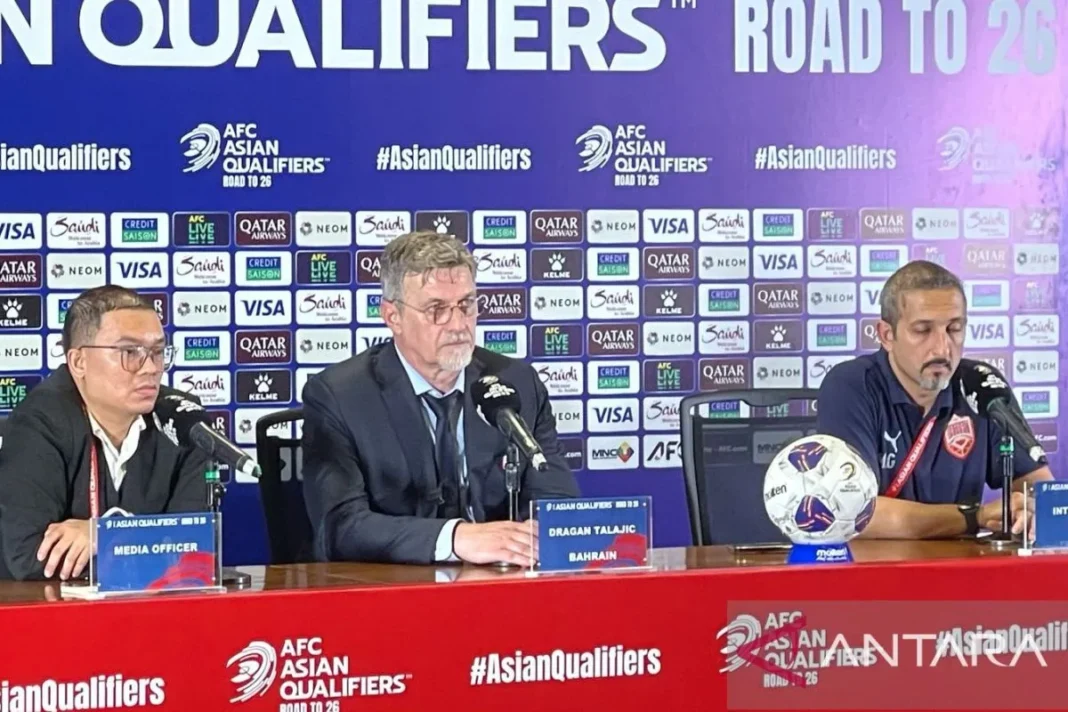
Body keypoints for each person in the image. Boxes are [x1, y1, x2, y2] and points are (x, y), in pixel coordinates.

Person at [302, 230, 580, 566]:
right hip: (397, 586)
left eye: (466, 305)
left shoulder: (516, 384)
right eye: (437, 309)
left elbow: (556, 504)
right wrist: (455, 538)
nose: (458, 324)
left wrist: (533, 537)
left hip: (501, 581)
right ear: (393, 317)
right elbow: (340, 527)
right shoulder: (341, 396)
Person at [816, 261, 1052, 539]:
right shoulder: (851, 385)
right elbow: (853, 513)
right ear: (887, 335)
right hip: (877, 563)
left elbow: (1040, 489)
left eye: (954, 328)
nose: (942, 347)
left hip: (963, 563)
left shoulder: (981, 384)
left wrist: (1028, 510)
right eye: (923, 330)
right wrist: (974, 516)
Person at [0, 286, 210, 581]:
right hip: (56, 607)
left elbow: (193, 545)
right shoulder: (38, 423)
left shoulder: (183, 420)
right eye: (129, 352)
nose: (150, 368)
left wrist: (103, 535)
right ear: (79, 362)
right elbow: (30, 556)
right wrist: (146, 545)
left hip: (155, 604)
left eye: (158, 352)